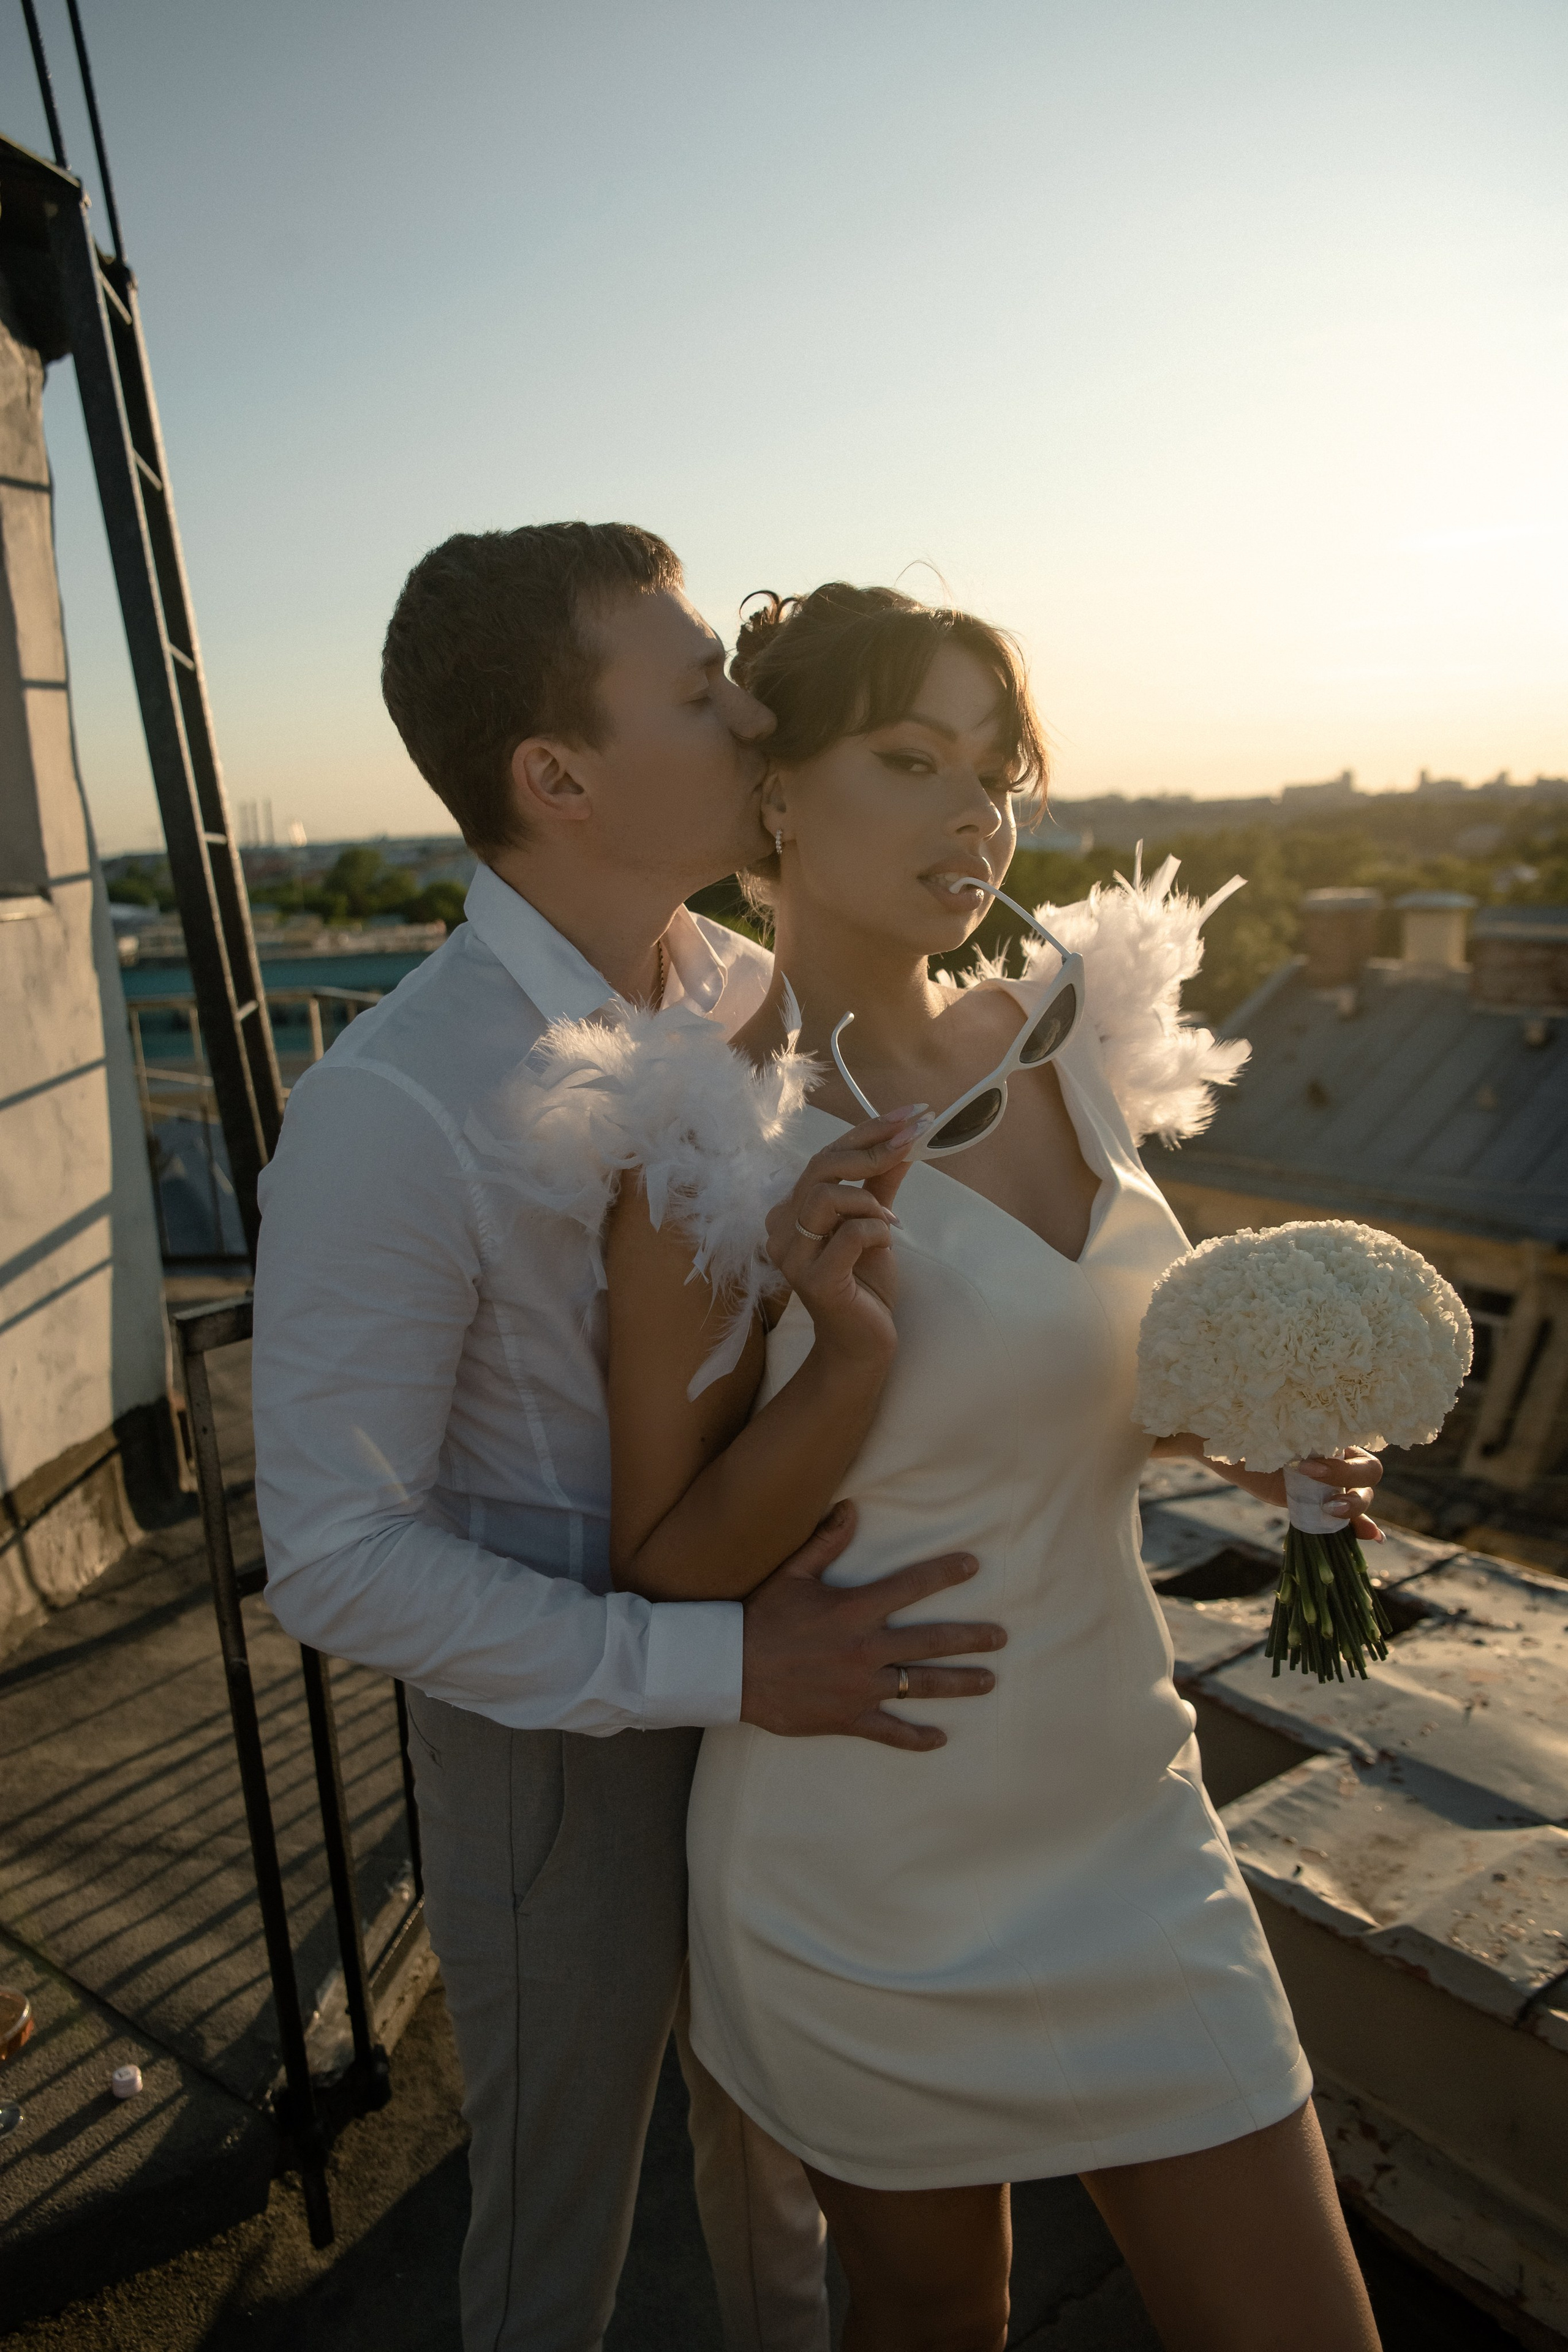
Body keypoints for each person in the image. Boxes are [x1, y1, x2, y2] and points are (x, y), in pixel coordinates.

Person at [503, 582, 1387, 2352]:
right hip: (868, 1861)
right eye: (910, 758)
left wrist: (1268, 1426)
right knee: (932, 2327)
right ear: (778, 796)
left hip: (1131, 1816)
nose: (974, 815)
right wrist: (851, 1361)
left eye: (998, 771)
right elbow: (669, 1567)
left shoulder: (1070, 1050)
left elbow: (1106, 1391)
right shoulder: (701, 1147)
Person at [250, 529, 1009, 2352]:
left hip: (790, 1670)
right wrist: (718, 1660)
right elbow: (335, 1561)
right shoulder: (392, 1107)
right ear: (558, 777)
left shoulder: (746, 995)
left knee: (781, 2163)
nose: (750, 706)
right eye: (695, 689)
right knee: (558, 2224)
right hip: (560, 1746)